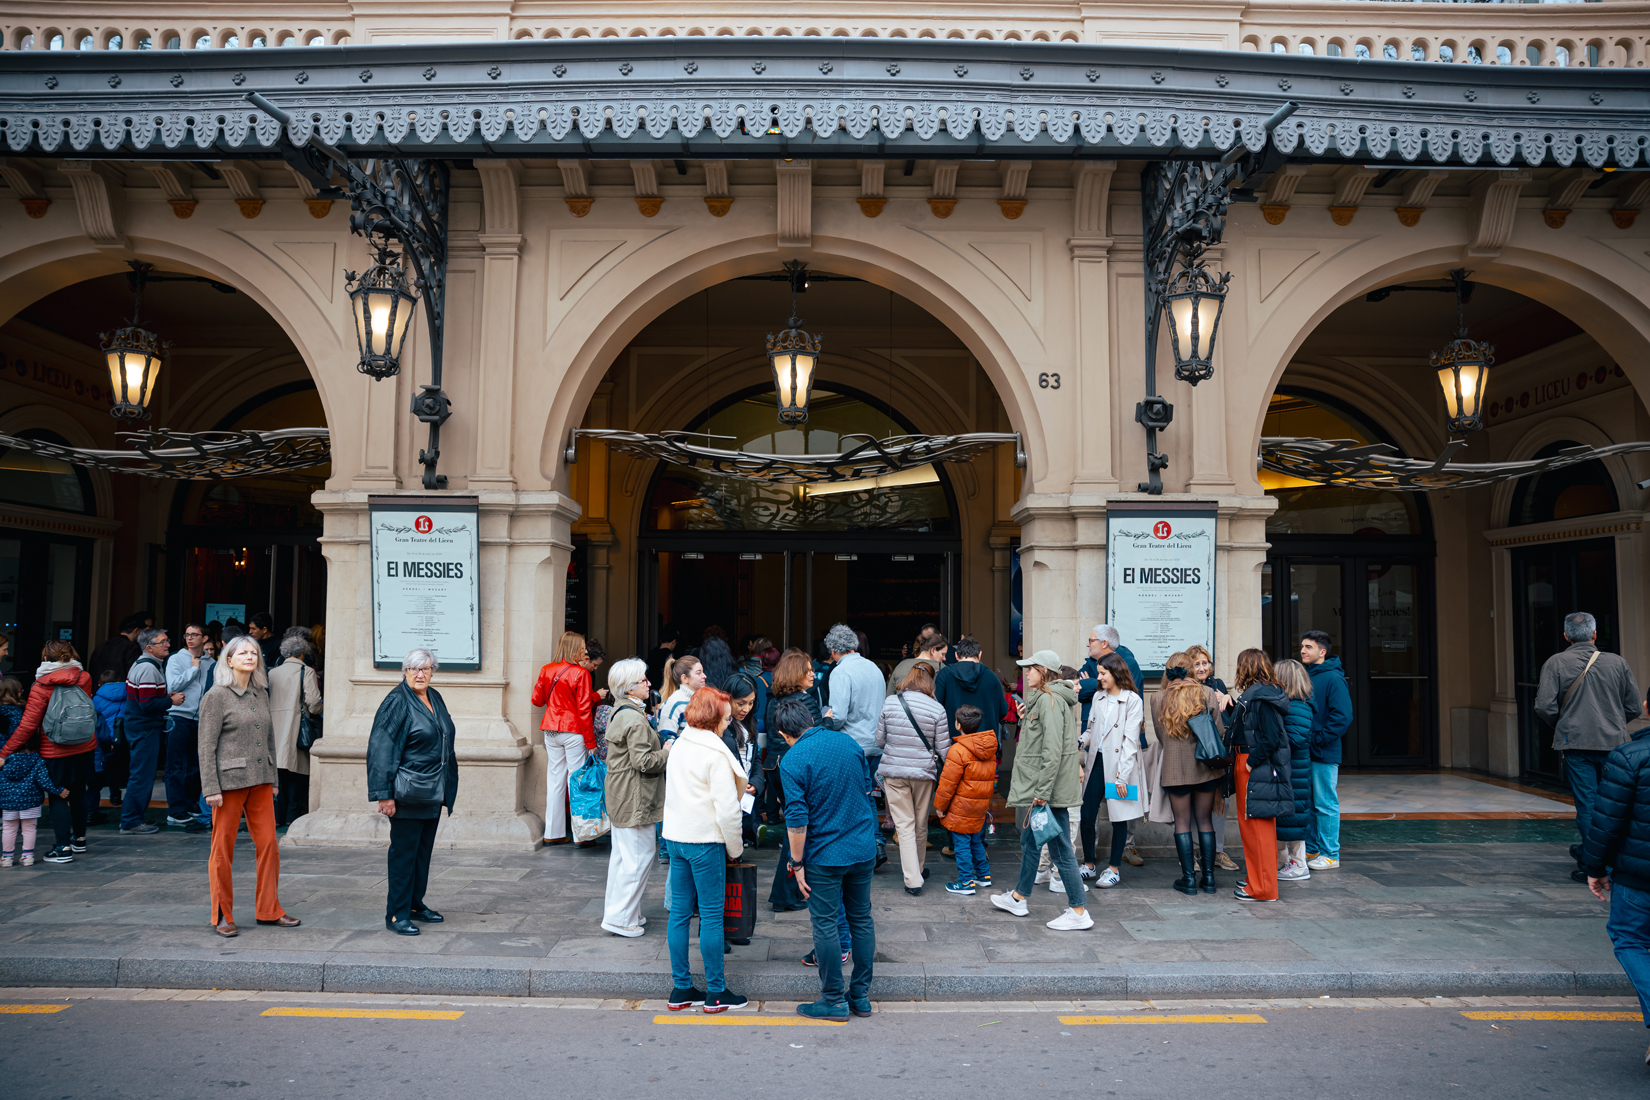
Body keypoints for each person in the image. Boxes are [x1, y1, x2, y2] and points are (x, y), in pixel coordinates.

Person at [776, 696, 880, 1020]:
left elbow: (796, 818)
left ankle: (833, 999)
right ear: (810, 720)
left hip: (824, 855)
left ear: (783, 733)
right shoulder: (847, 742)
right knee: (861, 919)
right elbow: (866, 789)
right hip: (862, 847)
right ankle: (860, 996)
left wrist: (796, 863)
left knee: (825, 924)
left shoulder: (792, 760)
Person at [199, 635, 299, 936]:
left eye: (253, 652)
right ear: (228, 660)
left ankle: (269, 910)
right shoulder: (216, 696)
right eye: (241, 652)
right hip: (228, 783)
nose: (249, 656)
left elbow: (268, 739)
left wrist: (274, 779)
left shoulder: (259, 693)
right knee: (222, 850)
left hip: (261, 780)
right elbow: (206, 746)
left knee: (269, 844)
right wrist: (210, 787)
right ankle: (222, 915)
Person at [1536, 611, 1643, 883]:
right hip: (1615, 744)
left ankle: (1592, 860)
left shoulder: (1556, 662)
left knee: (1588, 803)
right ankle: (1601, 856)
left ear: (1566, 636)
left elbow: (1544, 706)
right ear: (1594, 635)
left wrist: (1565, 724)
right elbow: (1633, 706)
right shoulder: (1617, 663)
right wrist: (1614, 723)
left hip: (1576, 743)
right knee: (1616, 803)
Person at [662, 685, 748, 1014]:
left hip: (677, 838)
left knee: (680, 915)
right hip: (705, 842)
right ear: (714, 718)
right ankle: (716, 992)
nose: (728, 722)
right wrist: (735, 848)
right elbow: (727, 811)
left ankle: (681, 988)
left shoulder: (682, 743)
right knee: (712, 917)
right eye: (726, 717)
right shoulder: (714, 753)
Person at [991, 649, 1091, 931]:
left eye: (1031, 669)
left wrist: (1043, 792)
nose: (1026, 673)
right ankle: (1019, 897)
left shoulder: (1049, 699)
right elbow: (1043, 740)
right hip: (1049, 788)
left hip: (1051, 790)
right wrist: (1025, 718)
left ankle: (1078, 910)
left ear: (1044, 672)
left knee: (1060, 852)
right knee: (1031, 842)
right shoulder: (1046, 700)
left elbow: (1053, 749)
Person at [367, 648, 458, 936]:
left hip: (432, 790)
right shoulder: (396, 701)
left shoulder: (435, 697)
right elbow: (381, 748)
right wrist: (384, 793)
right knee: (404, 854)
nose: (420, 674)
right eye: (413, 669)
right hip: (407, 792)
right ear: (404, 671)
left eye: (426, 668)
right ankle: (396, 913)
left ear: (433, 671)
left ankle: (415, 904)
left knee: (421, 853)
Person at [1581, 687, 1650, 1062]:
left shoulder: (1630, 756)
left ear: (1646, 708)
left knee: (1631, 941)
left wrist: (1595, 867)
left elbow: (1606, 823)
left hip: (1638, 879)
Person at [0, 641, 96, 863]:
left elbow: (28, 726)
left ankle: (62, 848)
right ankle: (79, 840)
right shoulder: (85, 677)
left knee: (58, 795)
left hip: (55, 749)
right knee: (79, 791)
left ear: (45, 659)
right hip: (84, 745)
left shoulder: (41, 686)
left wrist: (5, 752)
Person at [601, 657, 670, 938]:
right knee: (639, 857)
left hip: (621, 794)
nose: (648, 683)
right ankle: (619, 919)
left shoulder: (621, 712)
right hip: (634, 796)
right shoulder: (633, 718)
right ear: (630, 688)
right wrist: (667, 751)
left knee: (623, 857)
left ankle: (623, 913)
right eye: (643, 680)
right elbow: (644, 761)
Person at [1153, 654, 1228, 895]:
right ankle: (1209, 879)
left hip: (1174, 768)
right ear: (1189, 670)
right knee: (1205, 822)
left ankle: (1188, 880)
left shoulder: (1157, 697)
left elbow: (1160, 737)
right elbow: (1219, 731)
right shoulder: (1205, 693)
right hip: (1205, 767)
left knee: (1182, 823)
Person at [875, 663, 951, 895]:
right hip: (924, 773)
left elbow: (879, 740)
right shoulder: (937, 709)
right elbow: (943, 749)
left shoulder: (890, 702)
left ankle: (913, 879)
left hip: (895, 772)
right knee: (919, 824)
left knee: (904, 826)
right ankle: (916, 870)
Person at [1228, 649, 1294, 903]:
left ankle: (1264, 888)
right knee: (1253, 828)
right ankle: (1257, 880)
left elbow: (1271, 737)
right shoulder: (1262, 692)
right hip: (1252, 764)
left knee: (1258, 829)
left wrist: (1250, 764)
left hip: (1254, 765)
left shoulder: (1260, 695)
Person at [765, 650, 826, 910]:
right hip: (800, 769)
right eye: (807, 670)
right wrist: (830, 720)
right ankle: (785, 894)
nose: (813, 674)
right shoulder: (806, 701)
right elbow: (819, 736)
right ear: (795, 674)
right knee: (798, 829)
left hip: (776, 768)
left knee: (794, 824)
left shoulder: (772, 701)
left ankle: (790, 891)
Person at [1080, 652, 1144, 891]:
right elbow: (1091, 730)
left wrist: (1122, 776)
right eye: (1099, 673)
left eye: (1103, 673)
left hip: (1120, 766)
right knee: (1087, 814)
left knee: (1120, 818)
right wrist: (1081, 741)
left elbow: (1130, 741)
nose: (1099, 678)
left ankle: (1114, 869)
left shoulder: (1133, 700)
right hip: (1096, 761)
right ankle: (1089, 864)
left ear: (1116, 673)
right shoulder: (1098, 697)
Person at [531, 631, 595, 845]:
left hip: (550, 730)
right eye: (583, 647)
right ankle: (581, 835)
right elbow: (584, 709)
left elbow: (537, 700)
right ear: (575, 649)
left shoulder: (546, 670)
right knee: (575, 780)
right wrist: (591, 742)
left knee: (555, 780)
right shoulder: (581, 673)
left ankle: (553, 833)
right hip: (573, 730)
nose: (585, 651)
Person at [1300, 630, 1353, 871]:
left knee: (1325, 803)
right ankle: (1312, 849)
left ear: (1322, 652)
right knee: (1310, 803)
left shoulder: (1333, 678)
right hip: (1307, 750)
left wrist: (1319, 739)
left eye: (1308, 647)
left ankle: (1331, 854)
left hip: (1323, 751)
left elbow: (1343, 717)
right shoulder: (1305, 676)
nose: (1303, 650)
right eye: (1302, 646)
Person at [1185, 644, 1239, 872]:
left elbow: (1232, 719)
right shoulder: (1185, 688)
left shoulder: (1217, 685)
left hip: (1218, 752)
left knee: (1221, 802)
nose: (1201, 668)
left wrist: (1228, 699)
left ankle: (1217, 850)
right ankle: (1195, 852)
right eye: (1196, 664)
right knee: (1192, 804)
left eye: (1204, 663)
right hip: (1193, 752)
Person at [934, 703, 996, 895]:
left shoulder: (957, 750)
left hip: (961, 806)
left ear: (958, 725)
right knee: (976, 840)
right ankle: (984, 875)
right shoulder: (989, 750)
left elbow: (947, 783)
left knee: (961, 843)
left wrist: (940, 806)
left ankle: (966, 882)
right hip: (979, 805)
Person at [119, 627, 173, 835]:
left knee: (141, 773)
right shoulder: (149, 668)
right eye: (163, 642)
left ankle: (134, 816)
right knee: (142, 774)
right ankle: (131, 820)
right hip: (144, 727)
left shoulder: (144, 664)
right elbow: (148, 703)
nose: (168, 644)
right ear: (149, 647)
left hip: (139, 726)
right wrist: (170, 700)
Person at [269, 635, 323, 828]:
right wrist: (319, 711)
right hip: (296, 727)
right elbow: (314, 703)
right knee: (296, 774)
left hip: (274, 728)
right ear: (301, 653)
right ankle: (292, 815)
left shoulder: (272, 673)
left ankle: (276, 816)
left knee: (278, 774)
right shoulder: (306, 671)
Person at [164, 623, 213, 833]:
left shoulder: (212, 662)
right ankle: (176, 810)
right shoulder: (176, 659)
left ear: (205, 638)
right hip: (179, 716)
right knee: (174, 765)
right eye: (187, 635)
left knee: (196, 764)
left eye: (195, 635)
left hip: (202, 718)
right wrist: (193, 669)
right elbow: (172, 686)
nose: (190, 638)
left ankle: (192, 803)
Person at [1274, 658, 1316, 883]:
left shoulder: (1298, 706)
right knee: (1288, 820)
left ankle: (1299, 865)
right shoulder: (1294, 704)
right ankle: (1287, 863)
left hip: (1294, 773)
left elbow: (1293, 740)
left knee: (1294, 820)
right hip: (1292, 772)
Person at [821, 623, 882, 765]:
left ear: (833, 649)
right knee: (870, 788)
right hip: (876, 745)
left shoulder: (840, 671)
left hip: (852, 747)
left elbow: (839, 715)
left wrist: (827, 723)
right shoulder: (873, 666)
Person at [1, 746, 65, 868]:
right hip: (31, 801)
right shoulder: (38, 761)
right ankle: (27, 856)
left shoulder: (6, 762)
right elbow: (44, 782)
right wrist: (59, 791)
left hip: (8, 802)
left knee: (8, 829)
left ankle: (7, 857)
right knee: (29, 829)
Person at [934, 637, 1008, 737]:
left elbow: (936, 708)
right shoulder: (991, 676)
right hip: (985, 744)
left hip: (954, 742)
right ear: (979, 655)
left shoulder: (945, 675)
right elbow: (1003, 710)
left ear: (956, 655)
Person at [724, 673, 763, 848]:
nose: (746, 708)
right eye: (740, 703)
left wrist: (755, 783)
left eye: (751, 702)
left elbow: (755, 761)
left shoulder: (749, 724)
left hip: (745, 797)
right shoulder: (722, 728)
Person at [90, 669, 127, 823]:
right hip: (126, 738)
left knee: (107, 769)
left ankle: (113, 795)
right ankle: (124, 800)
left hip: (106, 740)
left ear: (100, 684)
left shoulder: (96, 699)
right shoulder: (129, 694)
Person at [658, 655, 706, 742]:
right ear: (684, 678)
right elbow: (667, 740)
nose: (704, 676)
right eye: (699, 673)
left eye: (703, 672)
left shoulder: (701, 700)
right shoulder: (674, 703)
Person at [886, 627, 945, 697]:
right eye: (943, 654)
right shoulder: (942, 669)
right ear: (933, 649)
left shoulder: (901, 665)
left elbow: (889, 697)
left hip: (901, 707)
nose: (944, 658)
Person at [88, 613, 145, 683]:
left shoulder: (101, 645)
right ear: (136, 631)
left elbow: (92, 670)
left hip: (99, 689)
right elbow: (133, 673)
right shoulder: (132, 647)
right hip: (120, 690)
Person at [645, 624, 679, 693]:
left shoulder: (652, 653)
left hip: (651, 690)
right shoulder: (671, 656)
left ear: (660, 640)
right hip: (665, 690)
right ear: (674, 641)